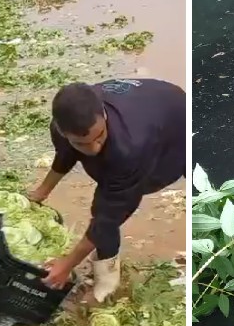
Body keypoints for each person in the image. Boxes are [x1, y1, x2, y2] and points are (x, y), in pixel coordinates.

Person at [28, 78, 186, 302]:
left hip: (177, 121)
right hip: (149, 104)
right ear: (62, 131)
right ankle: (104, 259)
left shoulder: (130, 149)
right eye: (81, 144)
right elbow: (65, 154)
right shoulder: (63, 126)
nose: (93, 149)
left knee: (108, 210)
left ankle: (108, 280)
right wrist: (41, 192)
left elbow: (108, 218)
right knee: (105, 197)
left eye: (99, 136)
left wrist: (67, 264)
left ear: (104, 113)